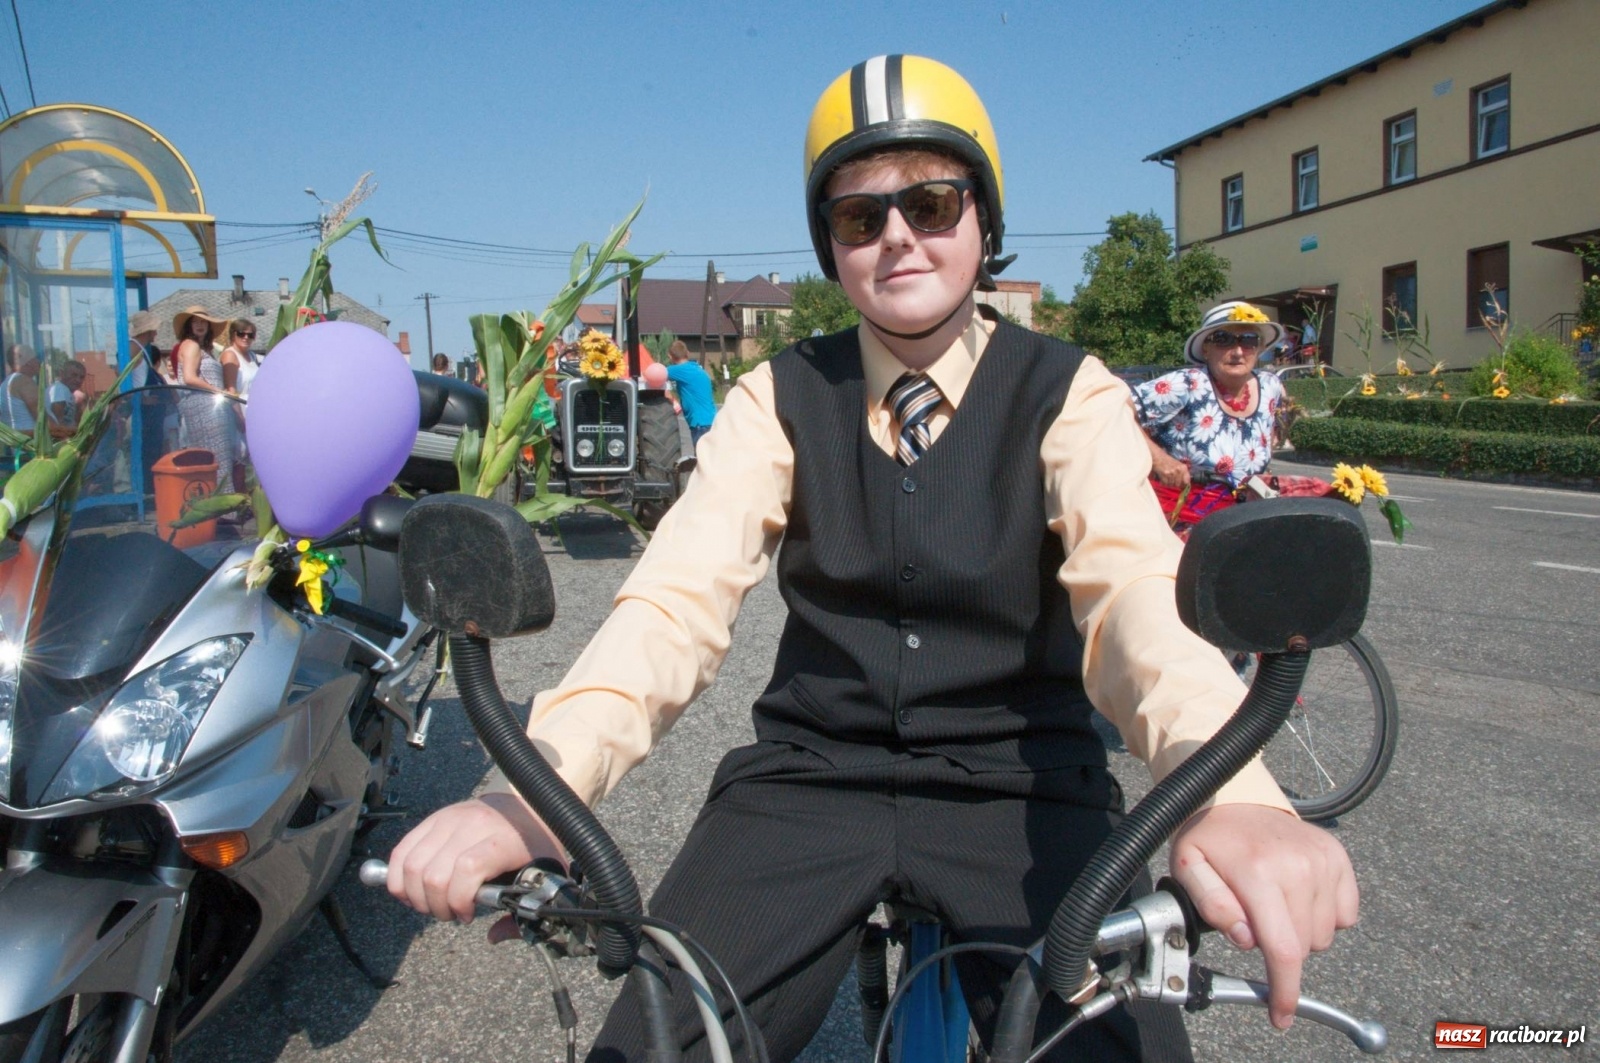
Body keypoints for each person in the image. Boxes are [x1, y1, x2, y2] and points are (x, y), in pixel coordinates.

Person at [387, 56, 1356, 1061]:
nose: (898, 235)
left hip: (1019, 784)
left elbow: (1132, 598)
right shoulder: (780, 393)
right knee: (655, 1044)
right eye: (859, 217)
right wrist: (539, 786)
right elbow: (672, 603)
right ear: (831, 247)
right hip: (812, 776)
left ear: (984, 222)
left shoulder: (1071, 391)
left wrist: (1227, 792)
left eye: (932, 203)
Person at [1133, 301, 1287, 533]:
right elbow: (1114, 406)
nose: (1237, 352)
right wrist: (1159, 459)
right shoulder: (1188, 384)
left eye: (1248, 340)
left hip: (1248, 521)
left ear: (1260, 348)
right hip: (1182, 524)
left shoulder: (1270, 386)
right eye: (1223, 340)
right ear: (1205, 349)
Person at [172, 306, 238, 486]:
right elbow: (189, 378)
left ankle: (222, 505)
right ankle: (220, 507)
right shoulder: (191, 345)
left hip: (210, 407)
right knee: (215, 459)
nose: (200, 325)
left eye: (203, 322)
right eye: (195, 322)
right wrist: (218, 391)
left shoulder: (202, 348)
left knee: (218, 458)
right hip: (204, 407)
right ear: (188, 325)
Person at [664, 339, 716, 449]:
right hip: (712, 420)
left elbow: (657, 373)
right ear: (687, 353)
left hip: (700, 423)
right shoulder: (697, 369)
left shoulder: (680, 370)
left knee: (702, 459)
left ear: (670, 356)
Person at [46, 359, 87, 436]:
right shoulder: (59, 389)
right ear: (62, 373)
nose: (78, 380)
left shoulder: (67, 392)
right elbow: (58, 421)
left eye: (81, 377)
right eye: (74, 375)